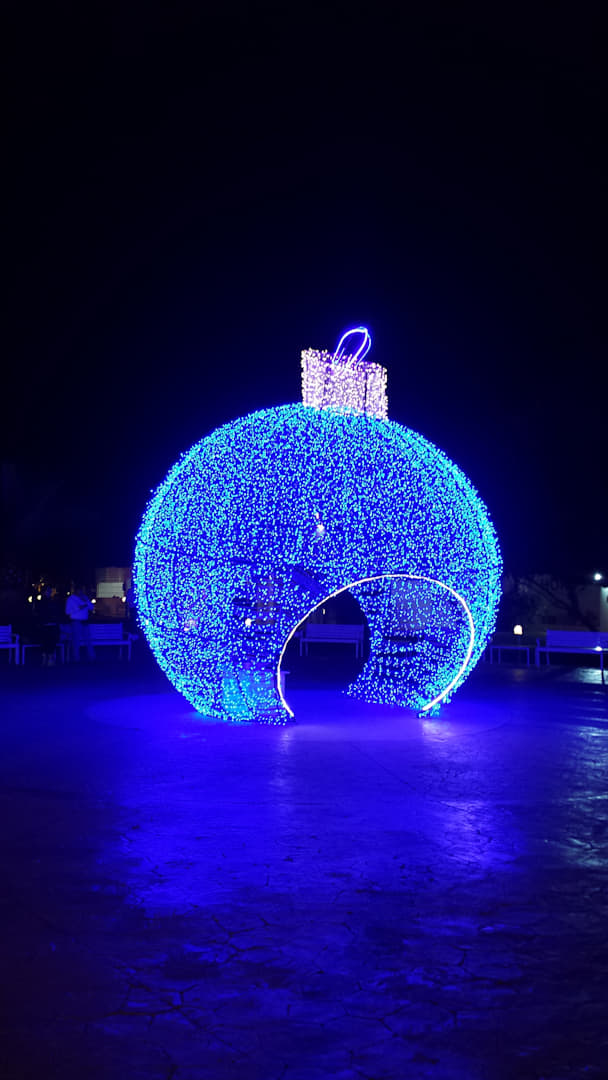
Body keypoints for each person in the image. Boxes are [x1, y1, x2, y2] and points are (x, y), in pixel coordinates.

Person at [66, 585, 95, 662]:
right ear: (76, 591)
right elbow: (67, 611)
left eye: (82, 590)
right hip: (76, 622)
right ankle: (76, 658)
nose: (81, 592)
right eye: (80, 590)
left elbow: (91, 607)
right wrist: (79, 608)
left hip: (85, 622)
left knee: (88, 640)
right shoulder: (71, 599)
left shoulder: (85, 598)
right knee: (76, 641)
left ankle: (92, 657)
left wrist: (87, 601)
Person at [37, 585, 62, 665]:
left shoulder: (52, 601)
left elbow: (56, 612)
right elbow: (40, 613)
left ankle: (48, 658)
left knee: (51, 642)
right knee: (47, 642)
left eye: (50, 591)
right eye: (48, 591)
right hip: (46, 625)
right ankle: (46, 657)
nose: (50, 593)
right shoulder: (42, 602)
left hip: (51, 624)